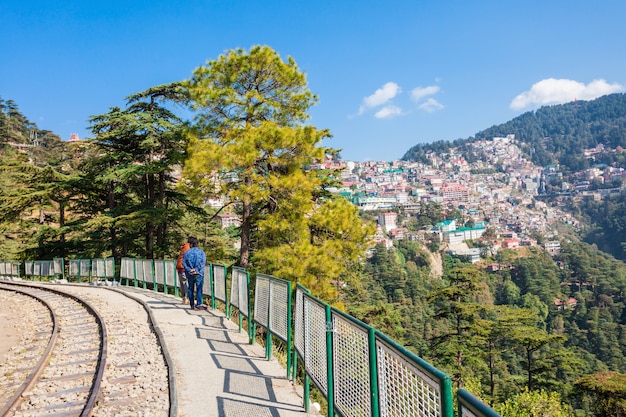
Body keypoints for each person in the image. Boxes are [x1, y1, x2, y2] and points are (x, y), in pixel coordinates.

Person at [182, 236, 207, 310]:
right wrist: (196, 269)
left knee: (190, 288)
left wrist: (190, 270)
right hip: (199, 273)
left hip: (190, 274)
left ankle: (192, 304)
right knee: (199, 288)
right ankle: (199, 304)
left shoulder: (187, 253)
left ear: (190, 244)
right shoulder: (201, 252)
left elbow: (184, 263)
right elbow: (203, 262)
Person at [176, 240, 190, 304]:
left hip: (180, 268)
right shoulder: (188, 248)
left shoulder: (184, 248)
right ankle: (187, 298)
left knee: (182, 283)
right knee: (186, 283)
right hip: (184, 268)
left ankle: (184, 298)